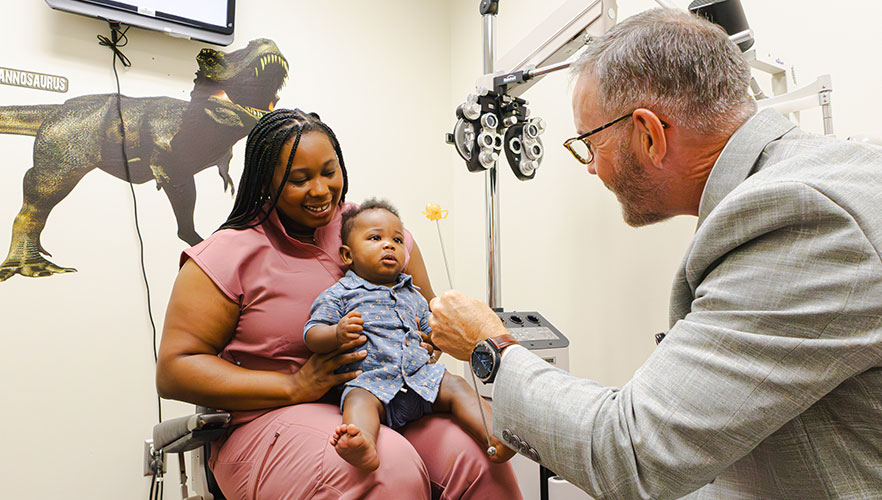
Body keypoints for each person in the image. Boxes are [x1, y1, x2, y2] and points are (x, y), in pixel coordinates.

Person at [427, 8, 882, 500]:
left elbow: (635, 453)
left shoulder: (798, 213)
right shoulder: (828, 171)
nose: (592, 170)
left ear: (649, 134)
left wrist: (488, 346)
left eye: (589, 145)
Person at [156, 108, 522, 499]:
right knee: (387, 469)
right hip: (267, 418)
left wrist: (427, 341)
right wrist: (294, 385)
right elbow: (176, 370)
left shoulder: (370, 230)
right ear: (266, 181)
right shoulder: (225, 255)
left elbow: (427, 312)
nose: (320, 190)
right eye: (300, 179)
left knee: (479, 461)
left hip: (394, 397)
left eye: (329, 172)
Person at [304, 199, 514, 471]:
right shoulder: (340, 294)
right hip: (372, 383)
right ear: (347, 255)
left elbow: (434, 332)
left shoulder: (412, 295)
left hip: (420, 380)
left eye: (398, 240)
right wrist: (336, 333)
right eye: (375, 238)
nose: (389, 244)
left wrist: (434, 341)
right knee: (356, 399)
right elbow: (312, 334)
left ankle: (496, 434)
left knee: (456, 385)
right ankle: (362, 442)